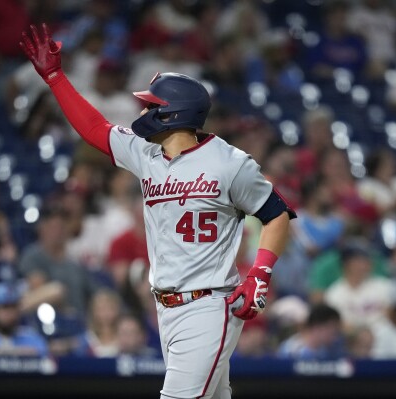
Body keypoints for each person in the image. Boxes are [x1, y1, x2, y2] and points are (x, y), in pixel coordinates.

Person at [20, 23, 296, 399]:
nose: (144, 108)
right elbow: (94, 128)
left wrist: (259, 276)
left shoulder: (230, 163)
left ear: (174, 113)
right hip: (166, 308)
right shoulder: (148, 154)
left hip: (208, 304)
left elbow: (277, 214)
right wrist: (55, 78)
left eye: (152, 104)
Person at [276, 303, 344, 360]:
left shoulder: (331, 350)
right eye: (332, 331)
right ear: (317, 327)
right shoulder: (290, 350)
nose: (334, 336)